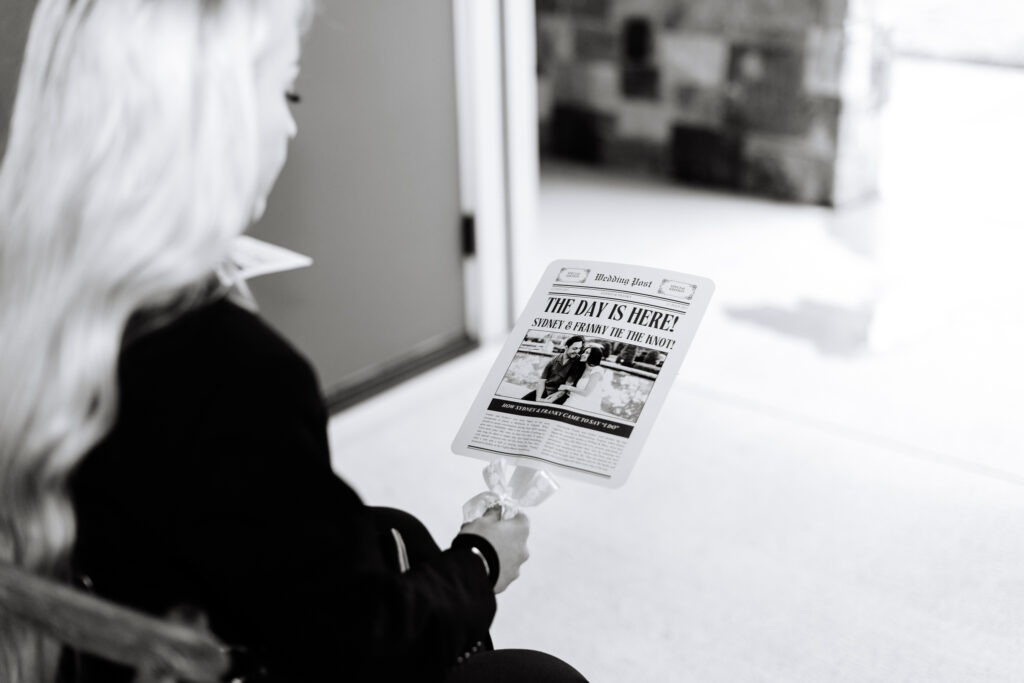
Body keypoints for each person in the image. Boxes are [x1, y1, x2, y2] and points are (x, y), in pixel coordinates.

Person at [0, 2, 586, 682]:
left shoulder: (34, 298)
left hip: (95, 639)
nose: (289, 122)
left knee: (393, 528)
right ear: (211, 117)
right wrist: (482, 561)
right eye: (284, 89)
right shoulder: (231, 375)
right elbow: (359, 647)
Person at [521, 335, 586, 405]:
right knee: (521, 402)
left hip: (560, 394)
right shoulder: (555, 359)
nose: (577, 351)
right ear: (566, 347)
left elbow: (566, 388)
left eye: (579, 349)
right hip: (546, 390)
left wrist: (548, 401)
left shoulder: (578, 363)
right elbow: (542, 380)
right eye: (574, 348)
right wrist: (538, 398)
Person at [554, 345, 607, 413]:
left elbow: (586, 393)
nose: (583, 354)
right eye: (584, 352)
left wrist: (567, 387)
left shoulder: (597, 370)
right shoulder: (582, 369)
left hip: (585, 404)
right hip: (574, 399)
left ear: (593, 356)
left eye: (587, 353)